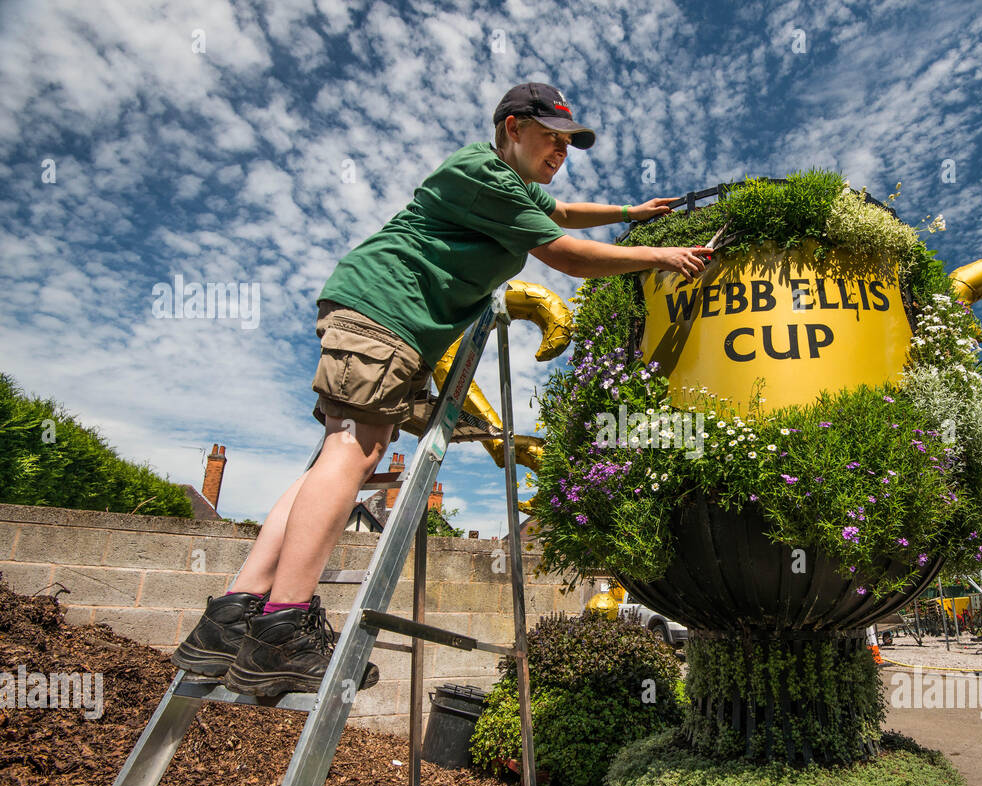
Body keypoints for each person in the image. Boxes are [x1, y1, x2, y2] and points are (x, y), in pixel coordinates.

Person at [171, 82, 713, 696]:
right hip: (387, 315)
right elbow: (569, 255)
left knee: (339, 452)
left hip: (378, 314)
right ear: (512, 126)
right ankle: (284, 626)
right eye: (551, 137)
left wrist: (627, 214)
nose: (561, 152)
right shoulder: (482, 172)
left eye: (569, 144)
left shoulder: (505, 186)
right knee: (356, 450)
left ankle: (234, 616)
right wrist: (658, 255)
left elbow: (560, 214)